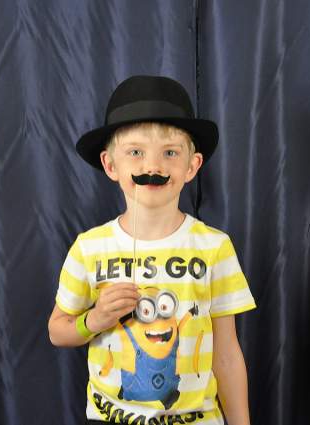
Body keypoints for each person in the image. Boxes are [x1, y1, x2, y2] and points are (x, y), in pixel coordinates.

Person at [48, 75, 256, 425]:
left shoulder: (215, 247)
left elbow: (226, 355)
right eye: (136, 152)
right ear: (111, 165)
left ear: (192, 166)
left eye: (170, 152)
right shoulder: (89, 248)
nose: (153, 167)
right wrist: (94, 320)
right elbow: (57, 330)